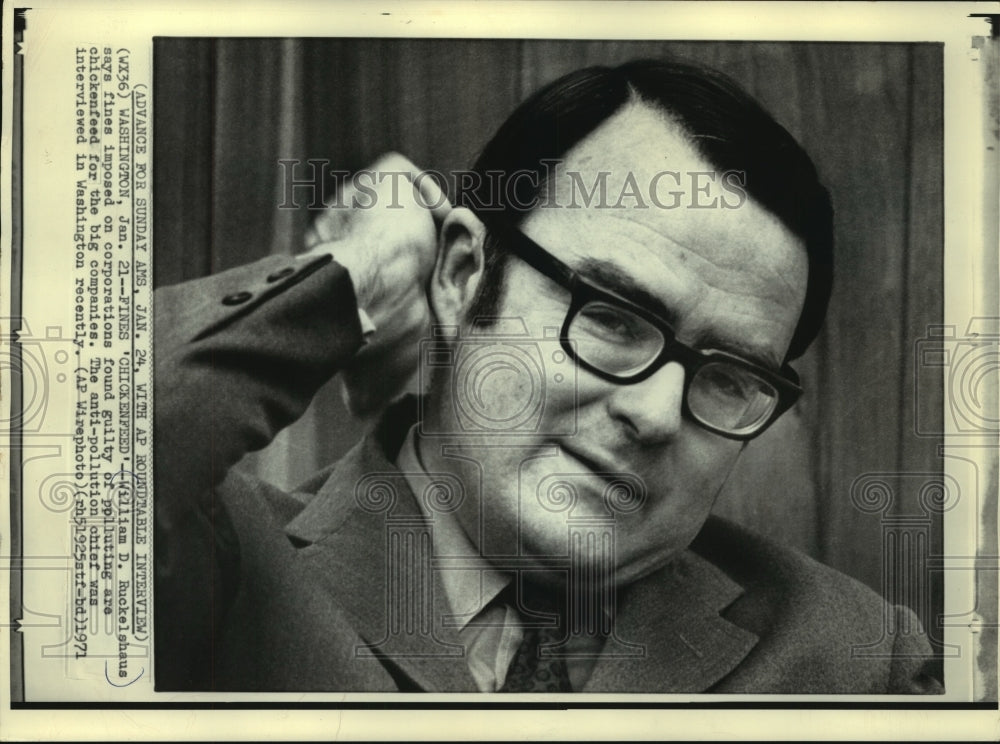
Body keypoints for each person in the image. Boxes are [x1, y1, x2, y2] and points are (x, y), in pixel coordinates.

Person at [154, 59, 942, 693]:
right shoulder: (212, 558)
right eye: (612, 315)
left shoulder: (855, 659)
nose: (659, 413)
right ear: (464, 274)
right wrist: (349, 280)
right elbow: (72, 452)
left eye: (731, 376)